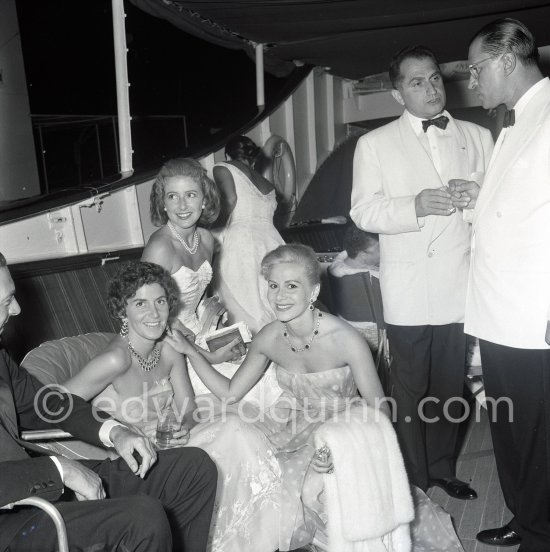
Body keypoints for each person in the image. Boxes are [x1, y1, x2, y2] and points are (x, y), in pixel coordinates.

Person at [165, 244, 465, 552]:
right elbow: (229, 393)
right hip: (293, 427)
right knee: (257, 475)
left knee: (307, 491)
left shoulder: (344, 339)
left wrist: (342, 446)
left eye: (291, 286)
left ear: (313, 291)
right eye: (273, 286)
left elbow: (381, 410)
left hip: (348, 428)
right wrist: (191, 352)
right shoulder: (269, 337)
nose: (279, 296)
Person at [0, 252, 217, 552]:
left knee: (195, 468)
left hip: (41, 486)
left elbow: (48, 404)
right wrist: (59, 471)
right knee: (144, 517)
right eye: (5, 301)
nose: (17, 308)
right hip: (12, 521)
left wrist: (115, 431)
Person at [350, 45, 493, 497]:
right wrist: (412, 206)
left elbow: (495, 209)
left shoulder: (477, 136)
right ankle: (412, 478)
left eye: (434, 79)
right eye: (417, 82)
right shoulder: (372, 144)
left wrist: (475, 199)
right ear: (397, 95)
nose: (431, 89)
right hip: (408, 288)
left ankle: (443, 467)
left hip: (457, 282)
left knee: (451, 385)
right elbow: (363, 211)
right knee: (410, 388)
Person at [62, 261, 281, 552]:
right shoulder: (115, 360)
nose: (154, 314)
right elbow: (56, 405)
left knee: (236, 428)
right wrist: (115, 432)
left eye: (160, 301)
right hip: (134, 463)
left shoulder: (168, 349)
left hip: (173, 447)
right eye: (140, 303)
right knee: (231, 435)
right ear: (121, 312)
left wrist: (184, 426)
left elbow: (189, 408)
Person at [460, 18, 550, 550]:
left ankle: (542, 534)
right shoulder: (513, 123)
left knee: (539, 436)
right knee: (511, 428)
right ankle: (524, 514)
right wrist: (477, 201)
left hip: (532, 313)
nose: (472, 82)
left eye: (476, 69)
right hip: (496, 311)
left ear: (507, 60)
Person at [142, 157, 238, 363]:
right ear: (163, 203)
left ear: (204, 200)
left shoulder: (205, 239)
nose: (182, 205)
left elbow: (200, 298)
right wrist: (209, 357)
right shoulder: (160, 247)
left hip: (195, 335)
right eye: (172, 196)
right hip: (164, 343)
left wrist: (217, 331)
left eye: (191, 195)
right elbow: (147, 314)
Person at [212, 135, 285, 334]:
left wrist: (208, 227)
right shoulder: (267, 183)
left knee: (243, 303)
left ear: (227, 154)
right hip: (272, 242)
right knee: (270, 299)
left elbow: (229, 200)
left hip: (242, 243)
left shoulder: (223, 167)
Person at [328, 225, 381, 350]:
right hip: (376, 339)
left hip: (346, 332)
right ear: (363, 255)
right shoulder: (371, 279)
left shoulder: (336, 266)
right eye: (379, 247)